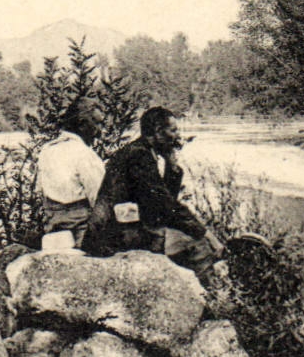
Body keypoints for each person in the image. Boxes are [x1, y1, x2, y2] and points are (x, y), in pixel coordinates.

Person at [87, 106, 223, 279]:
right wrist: (206, 233)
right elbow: (165, 205)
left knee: (184, 239)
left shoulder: (140, 151)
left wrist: (171, 168)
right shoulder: (139, 157)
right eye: (173, 130)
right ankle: (212, 294)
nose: (177, 136)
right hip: (114, 236)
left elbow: (161, 203)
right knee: (197, 245)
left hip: (123, 229)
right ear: (158, 132)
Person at [35, 103, 106, 251]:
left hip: (53, 233)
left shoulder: (47, 151)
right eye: (97, 123)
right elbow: (100, 199)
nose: (100, 130)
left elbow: (40, 192)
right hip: (82, 235)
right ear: (81, 125)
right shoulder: (85, 154)